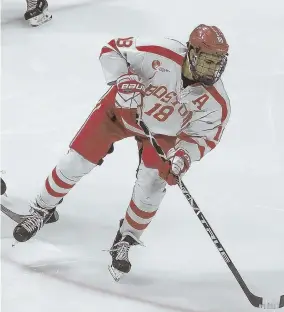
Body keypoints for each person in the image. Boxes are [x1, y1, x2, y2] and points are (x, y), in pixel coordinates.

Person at [12, 24, 231, 280]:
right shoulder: (160, 52)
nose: (211, 69)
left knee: (152, 186)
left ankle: (126, 238)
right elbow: (112, 49)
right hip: (118, 113)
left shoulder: (217, 102)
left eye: (217, 62)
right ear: (192, 52)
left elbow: (204, 137)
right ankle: (41, 210)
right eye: (207, 60)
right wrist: (123, 78)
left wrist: (183, 155)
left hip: (163, 135)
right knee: (75, 162)